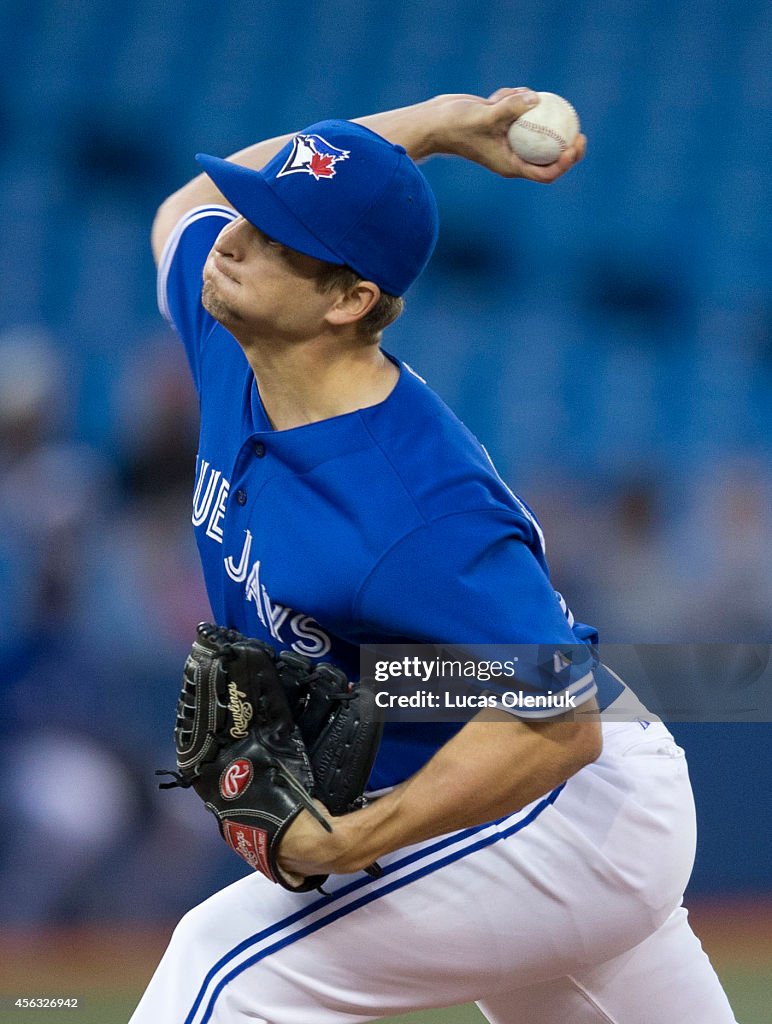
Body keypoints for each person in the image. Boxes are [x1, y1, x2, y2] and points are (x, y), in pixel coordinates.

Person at [132, 88, 736, 1023]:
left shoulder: (413, 505)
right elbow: (183, 209)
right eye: (250, 214)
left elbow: (558, 712)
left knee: (218, 967)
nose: (233, 241)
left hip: (564, 803)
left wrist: (354, 839)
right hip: (511, 770)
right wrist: (436, 128)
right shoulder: (231, 341)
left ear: (349, 299)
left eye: (279, 239)